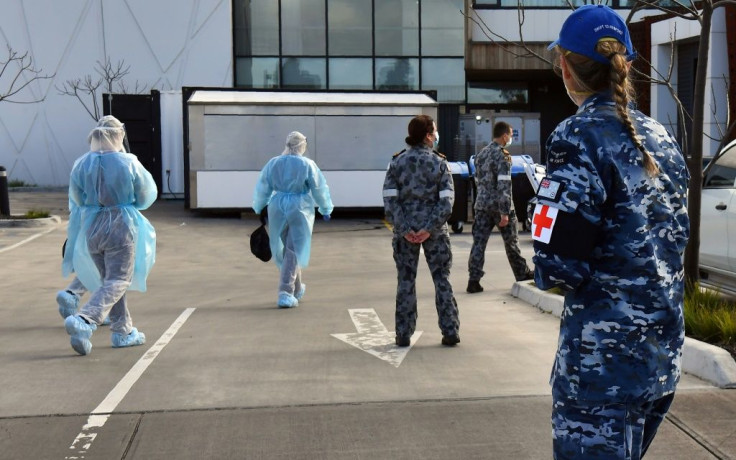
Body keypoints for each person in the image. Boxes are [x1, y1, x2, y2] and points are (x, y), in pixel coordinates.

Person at [533, 5, 690, 459]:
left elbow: (558, 266)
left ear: (565, 66)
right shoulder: (660, 136)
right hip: (659, 357)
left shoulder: (576, 136)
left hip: (602, 365)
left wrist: (541, 207)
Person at [62, 115, 158, 356]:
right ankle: (85, 319)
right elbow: (146, 195)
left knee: (110, 281)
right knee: (119, 280)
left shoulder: (82, 163)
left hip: (91, 226)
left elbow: (76, 198)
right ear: (119, 135)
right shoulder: (128, 162)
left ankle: (122, 331)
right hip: (120, 225)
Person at [383, 115, 460, 347]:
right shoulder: (440, 163)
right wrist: (429, 228)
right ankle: (450, 332)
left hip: (404, 233)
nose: (436, 135)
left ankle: (403, 334)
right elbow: (447, 201)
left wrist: (405, 229)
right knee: (442, 280)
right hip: (435, 233)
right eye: (434, 131)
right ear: (428, 135)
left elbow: (389, 200)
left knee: (406, 281)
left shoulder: (396, 162)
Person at [252, 131, 333, 308]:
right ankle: (285, 291)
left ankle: (296, 289)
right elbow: (319, 187)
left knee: (287, 250)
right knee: (293, 249)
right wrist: (325, 207)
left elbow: (263, 186)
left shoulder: (274, 163)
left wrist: (259, 206)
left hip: (277, 208)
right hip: (300, 208)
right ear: (302, 145)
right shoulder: (307, 164)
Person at [466, 121, 534, 294]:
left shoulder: (480, 154)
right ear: (504, 136)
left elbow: (478, 181)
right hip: (499, 206)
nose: (510, 138)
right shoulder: (503, 156)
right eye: (510, 135)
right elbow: (504, 184)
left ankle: (473, 280)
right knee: (512, 243)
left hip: (482, 206)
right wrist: (504, 212)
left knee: (478, 244)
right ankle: (522, 274)